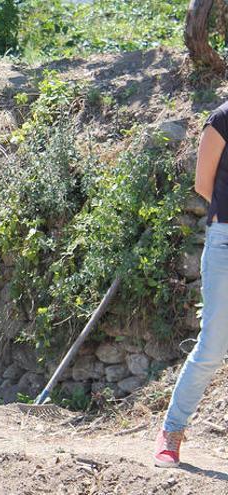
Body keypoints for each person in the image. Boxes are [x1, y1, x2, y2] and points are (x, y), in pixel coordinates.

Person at [154, 102, 228, 467]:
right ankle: (172, 432)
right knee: (213, 347)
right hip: (226, 241)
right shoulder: (222, 118)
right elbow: (204, 184)